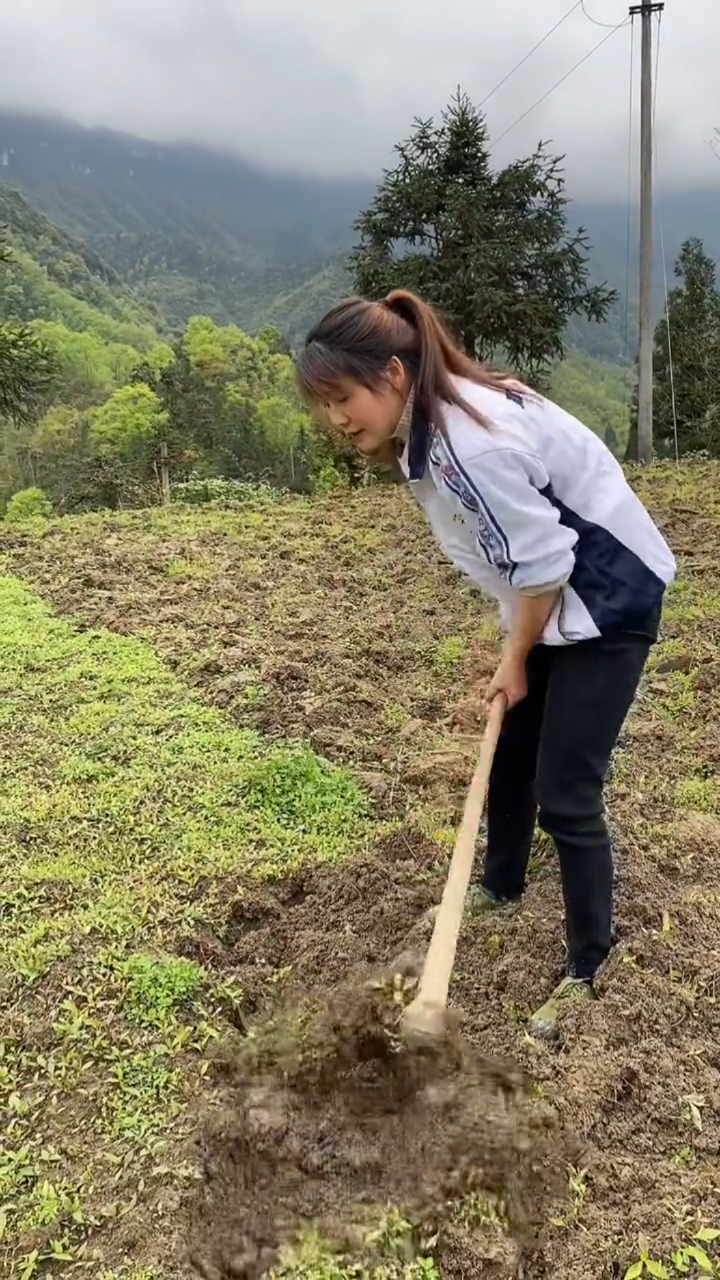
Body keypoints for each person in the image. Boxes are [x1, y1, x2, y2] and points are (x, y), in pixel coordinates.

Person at [297, 289, 676, 1041]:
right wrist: (521, 650)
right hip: (555, 598)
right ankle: (500, 884)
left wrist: (516, 654)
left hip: (608, 601)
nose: (338, 420)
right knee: (510, 754)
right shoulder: (431, 422)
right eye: (326, 406)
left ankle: (586, 968)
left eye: (344, 398)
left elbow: (541, 566)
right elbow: (508, 558)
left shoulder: (472, 442)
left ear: (394, 375)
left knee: (568, 790)